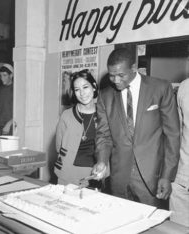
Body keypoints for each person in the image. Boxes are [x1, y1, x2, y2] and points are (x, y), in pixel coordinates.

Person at [92, 48, 180, 207]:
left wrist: (167, 176)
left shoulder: (160, 88)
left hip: (152, 178)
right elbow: (103, 136)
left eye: (121, 75)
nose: (116, 80)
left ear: (133, 68)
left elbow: (172, 135)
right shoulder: (105, 96)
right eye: (112, 76)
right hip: (119, 179)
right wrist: (102, 161)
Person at [54, 69, 99, 186]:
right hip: (68, 174)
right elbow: (59, 146)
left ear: (94, 87)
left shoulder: (104, 115)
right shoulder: (67, 115)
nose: (82, 93)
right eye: (77, 90)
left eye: (85, 87)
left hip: (95, 175)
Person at [169, 77, 189, 227]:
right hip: (182, 177)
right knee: (177, 228)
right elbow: (176, 133)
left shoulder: (184, 86)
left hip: (182, 174)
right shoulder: (184, 87)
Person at [0, 64, 14, 137]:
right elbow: (0, 106)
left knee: (9, 148)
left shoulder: (15, 89)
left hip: (9, 125)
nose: (2, 78)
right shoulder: (0, 89)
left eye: (5, 75)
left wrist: (9, 124)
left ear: (11, 75)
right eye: (1, 76)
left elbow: (19, 111)